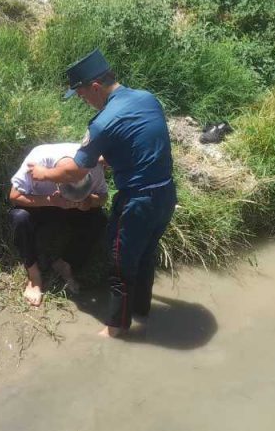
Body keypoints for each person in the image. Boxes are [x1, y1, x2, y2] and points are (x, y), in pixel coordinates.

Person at [29, 48, 176, 338]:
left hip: (138, 201)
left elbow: (72, 173)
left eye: (82, 95)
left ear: (95, 87)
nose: (84, 102)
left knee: (120, 262)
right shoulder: (146, 98)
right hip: (166, 195)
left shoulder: (103, 122)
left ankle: (115, 330)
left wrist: (44, 174)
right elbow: (140, 140)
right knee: (145, 254)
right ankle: (140, 310)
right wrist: (106, 158)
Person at [9, 143, 108, 307]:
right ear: (56, 182)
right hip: (43, 204)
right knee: (19, 217)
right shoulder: (38, 159)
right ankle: (34, 276)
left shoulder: (93, 164)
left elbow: (103, 196)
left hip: (73, 209)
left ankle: (65, 264)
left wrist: (88, 202)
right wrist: (51, 201)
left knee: (99, 219)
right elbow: (14, 196)